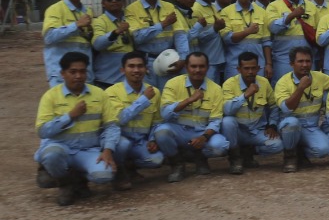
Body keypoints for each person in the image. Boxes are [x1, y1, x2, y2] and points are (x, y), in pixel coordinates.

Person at [34, 51, 114, 205]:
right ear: (63, 74)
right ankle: (65, 184)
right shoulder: (51, 96)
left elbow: (111, 126)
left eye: (82, 71)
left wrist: (108, 150)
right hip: (61, 148)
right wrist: (69, 116)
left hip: (88, 150)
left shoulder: (99, 94)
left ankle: (79, 180)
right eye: (73, 72)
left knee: (104, 175)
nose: (78, 76)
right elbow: (42, 131)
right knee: (52, 155)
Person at [154, 51, 229, 182]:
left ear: (208, 67)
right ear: (186, 67)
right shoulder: (173, 84)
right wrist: (189, 100)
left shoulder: (216, 89)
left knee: (221, 146)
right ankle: (177, 164)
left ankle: (200, 157)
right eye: (193, 66)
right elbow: (165, 114)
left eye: (201, 66)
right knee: (161, 132)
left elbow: (216, 120)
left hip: (201, 131)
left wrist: (203, 137)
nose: (197, 70)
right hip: (179, 131)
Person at [101, 51, 164, 191]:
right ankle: (118, 172)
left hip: (140, 141)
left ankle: (130, 167)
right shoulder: (111, 92)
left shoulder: (155, 92)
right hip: (119, 140)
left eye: (140, 66)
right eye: (131, 66)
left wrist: (152, 139)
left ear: (146, 69)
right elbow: (120, 119)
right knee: (123, 145)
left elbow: (157, 121)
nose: (136, 70)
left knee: (156, 159)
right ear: (122, 70)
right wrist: (144, 99)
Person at [273, 47, 329, 172]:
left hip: (311, 127)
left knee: (323, 150)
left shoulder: (317, 76)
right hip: (290, 126)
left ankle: (301, 152)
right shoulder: (283, 82)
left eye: (308, 61)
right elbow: (287, 108)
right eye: (300, 61)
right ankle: (290, 156)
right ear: (292, 64)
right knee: (291, 123)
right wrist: (300, 88)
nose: (305, 65)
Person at [220, 51, 283, 175]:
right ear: (239, 69)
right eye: (246, 68)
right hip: (238, 131)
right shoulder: (229, 84)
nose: (250, 72)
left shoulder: (264, 82)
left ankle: (250, 151)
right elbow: (227, 110)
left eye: (253, 68)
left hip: (257, 131)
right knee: (227, 122)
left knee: (277, 145)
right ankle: (235, 158)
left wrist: (272, 125)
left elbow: (274, 106)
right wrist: (245, 95)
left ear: (258, 68)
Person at [126, 0, 189, 87]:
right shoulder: (131, 9)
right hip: (146, 63)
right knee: (149, 95)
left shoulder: (169, 7)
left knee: (169, 94)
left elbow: (180, 35)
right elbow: (138, 38)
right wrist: (163, 25)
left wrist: (183, 59)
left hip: (170, 60)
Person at [42, 0, 96, 88]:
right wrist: (76, 25)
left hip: (84, 74)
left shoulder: (88, 12)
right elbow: (49, 37)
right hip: (61, 74)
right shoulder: (55, 9)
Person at [266, 0, 319, 84]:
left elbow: (317, 35)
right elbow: (274, 28)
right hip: (283, 60)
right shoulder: (273, 6)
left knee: (309, 89)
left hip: (307, 61)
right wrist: (291, 16)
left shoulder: (311, 7)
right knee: (284, 89)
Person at [219, 0, 272, 81]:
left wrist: (268, 64)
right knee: (234, 88)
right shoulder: (226, 12)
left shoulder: (261, 12)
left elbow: (266, 41)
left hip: (258, 64)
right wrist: (248, 31)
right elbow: (227, 38)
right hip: (235, 64)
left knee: (259, 89)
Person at [91, 0, 134, 87]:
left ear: (123, 1)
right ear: (103, 3)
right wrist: (116, 32)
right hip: (106, 79)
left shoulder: (131, 18)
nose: (114, 1)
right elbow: (97, 44)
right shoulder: (99, 21)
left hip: (129, 80)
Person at [190, 0, 227, 84]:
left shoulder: (212, 6)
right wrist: (215, 29)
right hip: (205, 63)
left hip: (217, 60)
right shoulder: (195, 9)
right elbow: (195, 38)